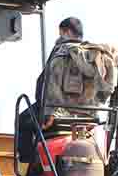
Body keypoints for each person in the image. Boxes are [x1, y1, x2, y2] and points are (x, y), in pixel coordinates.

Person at [20, 17, 85, 167]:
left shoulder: (62, 51)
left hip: (56, 106)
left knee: (23, 121)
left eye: (61, 32)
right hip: (82, 110)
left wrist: (51, 112)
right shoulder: (89, 53)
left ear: (67, 31)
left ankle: (27, 166)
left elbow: (52, 84)